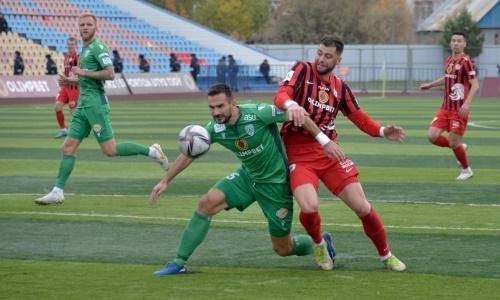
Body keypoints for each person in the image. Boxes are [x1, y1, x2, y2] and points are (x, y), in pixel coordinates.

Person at [149, 83, 337, 275]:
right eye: (212, 108)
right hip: (247, 178)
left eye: (220, 106)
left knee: (283, 248)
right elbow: (190, 152)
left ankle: (319, 241)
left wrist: (324, 141)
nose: (216, 112)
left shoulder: (257, 113)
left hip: (276, 185)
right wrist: (166, 180)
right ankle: (179, 262)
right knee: (206, 203)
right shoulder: (214, 128)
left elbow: (301, 117)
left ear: (232, 103)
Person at [274, 35, 407, 271]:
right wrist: (291, 104)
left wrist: (384, 130)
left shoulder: (339, 87)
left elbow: (360, 119)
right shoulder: (302, 70)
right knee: (309, 206)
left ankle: (386, 256)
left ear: (338, 59)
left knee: (362, 207)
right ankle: (319, 243)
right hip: (300, 155)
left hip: (330, 153)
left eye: (328, 56)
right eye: (319, 53)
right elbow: (281, 94)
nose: (321, 59)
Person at [34, 13, 168, 205]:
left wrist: (83, 72)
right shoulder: (85, 50)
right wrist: (71, 80)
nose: (85, 27)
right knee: (68, 147)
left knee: (110, 150)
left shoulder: (97, 48)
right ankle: (58, 191)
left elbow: (110, 74)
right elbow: (86, 78)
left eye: (89, 25)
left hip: (95, 105)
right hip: (83, 104)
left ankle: (153, 151)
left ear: (96, 28)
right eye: (82, 25)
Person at [420, 31, 479, 181]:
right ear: (450, 43)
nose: (456, 43)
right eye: (453, 41)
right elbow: (447, 78)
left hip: (458, 110)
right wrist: (430, 85)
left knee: (453, 142)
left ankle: (467, 169)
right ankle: (460, 147)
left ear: (464, 44)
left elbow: (475, 85)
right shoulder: (449, 60)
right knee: (431, 136)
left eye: (459, 41)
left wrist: (467, 103)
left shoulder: (466, 61)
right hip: (445, 107)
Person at [54, 37, 79, 139]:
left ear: (75, 45)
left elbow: (79, 73)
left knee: (73, 111)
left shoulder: (78, 57)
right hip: (66, 86)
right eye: (69, 44)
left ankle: (78, 130)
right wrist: (63, 77)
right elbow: (66, 71)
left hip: (74, 87)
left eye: (72, 44)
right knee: (57, 107)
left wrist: (70, 78)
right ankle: (63, 130)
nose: (70, 46)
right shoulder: (66, 56)